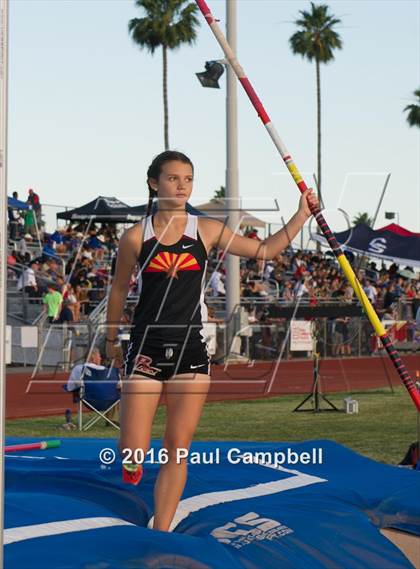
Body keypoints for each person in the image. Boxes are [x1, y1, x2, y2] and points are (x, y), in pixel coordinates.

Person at [105, 150, 318, 532]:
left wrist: (301, 214)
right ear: (154, 183)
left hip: (190, 349)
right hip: (146, 349)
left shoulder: (206, 229)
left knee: (177, 448)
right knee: (133, 448)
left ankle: (162, 530)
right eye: (173, 178)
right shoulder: (136, 236)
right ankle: (133, 462)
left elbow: (265, 250)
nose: (182, 185)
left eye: (187, 178)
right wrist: (110, 338)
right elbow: (119, 289)